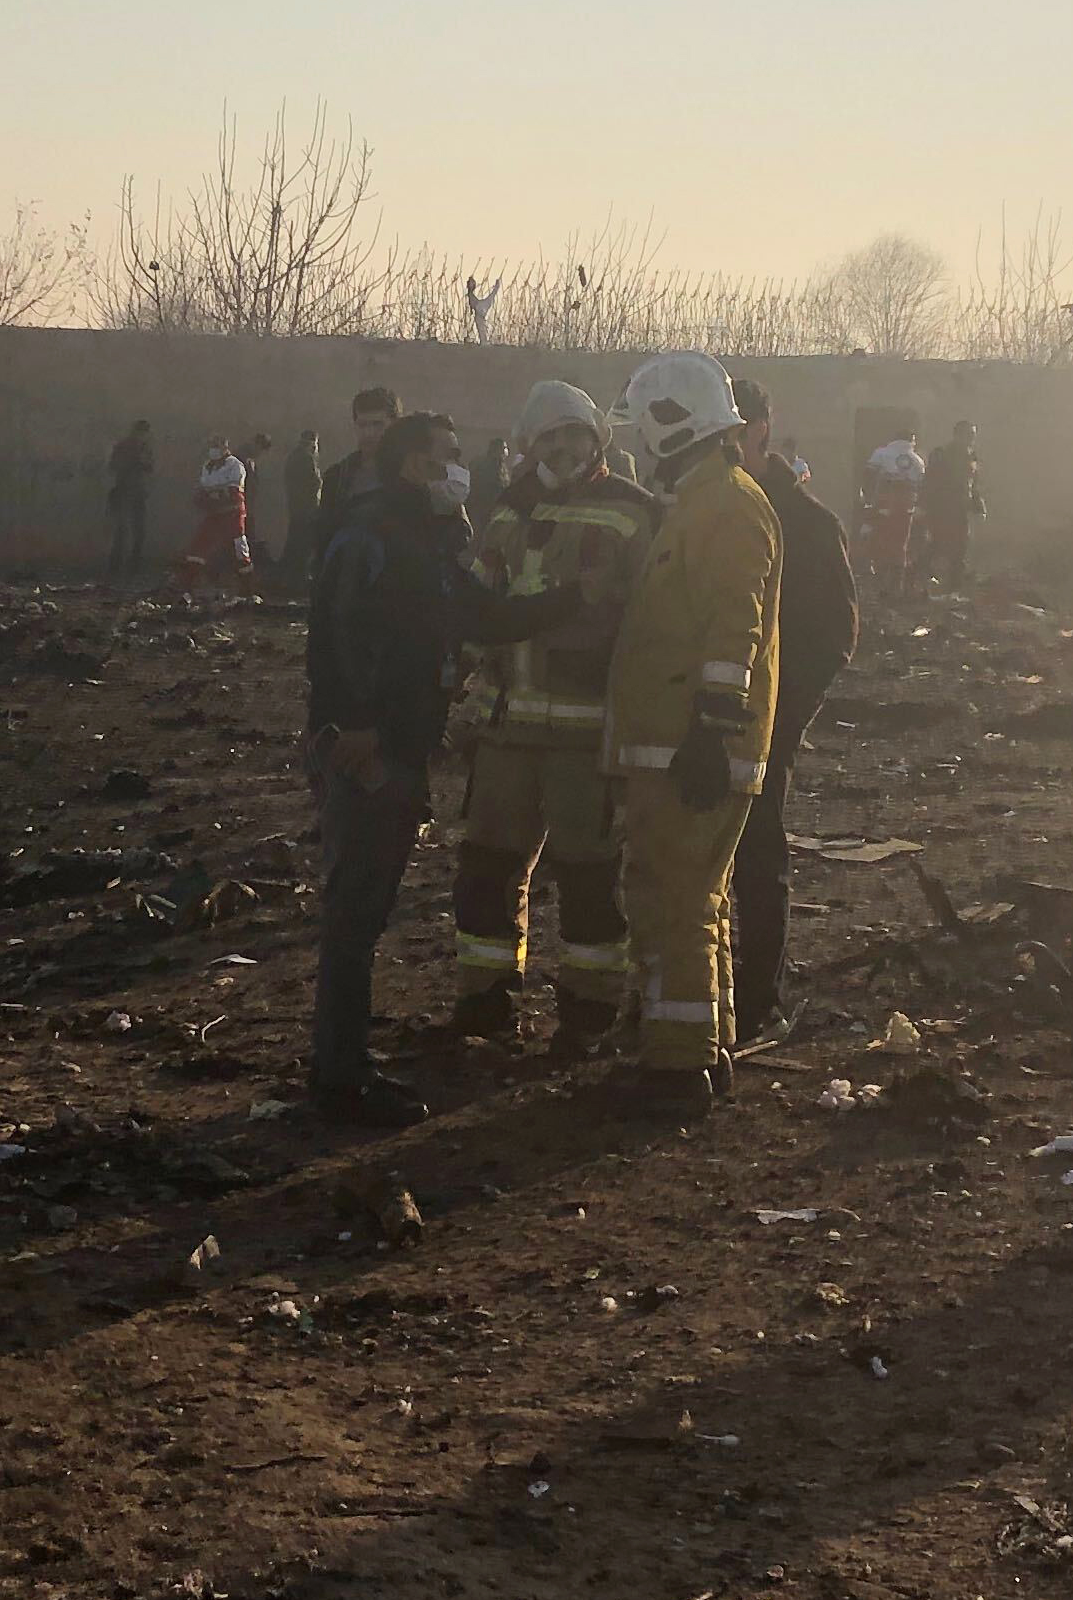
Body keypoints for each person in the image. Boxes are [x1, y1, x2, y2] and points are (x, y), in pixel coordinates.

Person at [303, 409, 578, 1125]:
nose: (463, 469)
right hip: (372, 748)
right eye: (449, 457)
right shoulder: (372, 535)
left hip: (401, 741)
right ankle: (340, 1074)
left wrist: (571, 600)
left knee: (367, 903)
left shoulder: (431, 537)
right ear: (415, 466)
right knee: (355, 910)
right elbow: (334, 633)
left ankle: (344, 1060)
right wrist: (353, 725)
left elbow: (480, 614)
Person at [447, 380, 660, 1057]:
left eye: (576, 435)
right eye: (550, 437)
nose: (565, 448)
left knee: (589, 878)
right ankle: (485, 999)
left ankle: (588, 1015)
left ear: (599, 441)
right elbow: (476, 599)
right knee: (487, 868)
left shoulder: (632, 514)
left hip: (584, 737)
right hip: (507, 732)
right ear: (526, 447)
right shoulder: (509, 512)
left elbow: (648, 621)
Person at [606, 352, 784, 1116]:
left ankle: (676, 1069)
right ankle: (706, 1049)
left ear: (669, 421)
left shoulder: (726, 506)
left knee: (673, 898)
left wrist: (713, 730)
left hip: (692, 746)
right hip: (681, 742)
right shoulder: (701, 501)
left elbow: (731, 621)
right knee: (694, 898)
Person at [730, 378, 860, 1037]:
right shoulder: (700, 511)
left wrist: (778, 722)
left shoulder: (807, 525)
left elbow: (834, 636)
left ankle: (757, 999)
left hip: (764, 724)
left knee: (755, 853)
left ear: (759, 433)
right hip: (695, 719)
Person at [309, 385, 402, 577]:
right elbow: (324, 537)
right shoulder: (338, 477)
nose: (369, 433)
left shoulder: (410, 474)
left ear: (394, 426)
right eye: (362, 425)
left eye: (378, 425)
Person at [170, 434, 257, 598]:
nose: (213, 450)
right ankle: (187, 584)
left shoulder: (235, 466)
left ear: (225, 448)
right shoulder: (208, 466)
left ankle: (247, 589)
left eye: (216, 446)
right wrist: (207, 497)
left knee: (239, 549)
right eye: (211, 446)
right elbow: (202, 491)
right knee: (199, 544)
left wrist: (212, 495)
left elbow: (233, 494)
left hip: (232, 515)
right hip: (214, 514)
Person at [861, 428, 925, 597]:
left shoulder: (881, 454)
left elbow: (868, 477)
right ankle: (897, 586)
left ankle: (879, 581)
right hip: (906, 509)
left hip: (883, 504)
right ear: (912, 439)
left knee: (878, 540)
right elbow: (921, 487)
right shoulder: (917, 460)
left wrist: (867, 500)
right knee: (899, 546)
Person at [925, 422, 983, 589]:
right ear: (958, 435)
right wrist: (926, 504)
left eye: (973, 435)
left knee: (961, 543)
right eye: (969, 434)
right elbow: (930, 480)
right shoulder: (942, 454)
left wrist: (978, 504)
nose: (972, 439)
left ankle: (955, 583)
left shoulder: (972, 456)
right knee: (937, 541)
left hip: (961, 507)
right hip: (942, 506)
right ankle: (921, 575)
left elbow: (973, 483)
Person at [105, 421, 156, 576]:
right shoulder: (124, 447)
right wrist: (133, 462)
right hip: (125, 491)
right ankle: (118, 567)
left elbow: (150, 467)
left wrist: (140, 462)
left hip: (136, 493)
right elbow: (113, 466)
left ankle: (131, 567)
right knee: (123, 531)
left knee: (136, 531)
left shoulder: (143, 448)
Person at [276, 427, 326, 581]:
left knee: (295, 538)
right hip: (307, 507)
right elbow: (315, 482)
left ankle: (288, 574)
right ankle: (299, 576)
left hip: (295, 505)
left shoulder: (293, 457)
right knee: (303, 541)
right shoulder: (307, 457)